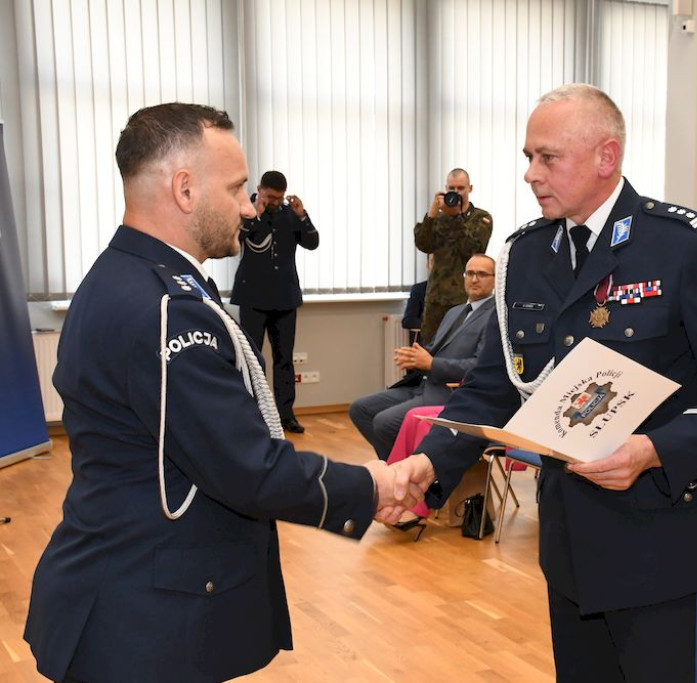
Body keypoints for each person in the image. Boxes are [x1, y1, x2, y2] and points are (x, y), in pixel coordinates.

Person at [391, 84, 697, 681]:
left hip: (664, 543)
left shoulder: (684, 246)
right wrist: (430, 462)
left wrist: (654, 450)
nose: (529, 174)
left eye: (547, 157)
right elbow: (496, 384)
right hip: (570, 544)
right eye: (528, 156)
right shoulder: (526, 253)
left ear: (607, 157)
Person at [22, 103, 416, 682]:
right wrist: (371, 485)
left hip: (124, 597)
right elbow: (247, 467)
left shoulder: (124, 277)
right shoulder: (164, 309)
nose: (248, 206)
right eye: (236, 188)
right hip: (142, 623)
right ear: (184, 189)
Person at [349, 254, 496, 460]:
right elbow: (433, 349)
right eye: (470, 273)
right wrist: (415, 356)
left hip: (449, 392)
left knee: (384, 423)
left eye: (482, 274)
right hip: (422, 384)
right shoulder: (455, 312)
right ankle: (402, 468)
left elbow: (478, 367)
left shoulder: (495, 316)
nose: (474, 279)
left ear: (495, 279)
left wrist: (431, 363)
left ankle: (406, 473)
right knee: (360, 409)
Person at [230, 170, 318, 433]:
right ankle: (252, 416)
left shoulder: (290, 214)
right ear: (260, 190)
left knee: (284, 359)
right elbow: (236, 241)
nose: (275, 202)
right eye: (271, 197)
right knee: (252, 359)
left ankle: (285, 414)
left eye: (279, 198)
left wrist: (302, 215)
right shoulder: (245, 210)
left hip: (284, 298)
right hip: (253, 298)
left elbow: (312, 243)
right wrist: (255, 213)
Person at [414, 168, 493, 343]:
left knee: (460, 348)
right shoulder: (439, 218)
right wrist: (431, 215)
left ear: (470, 189)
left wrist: (456, 217)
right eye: (452, 189)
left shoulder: (481, 218)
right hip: (436, 299)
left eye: (460, 188)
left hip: (463, 298)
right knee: (430, 350)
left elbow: (472, 250)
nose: (456, 193)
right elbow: (423, 244)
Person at [402, 254, 432, 344]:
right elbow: (408, 321)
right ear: (428, 266)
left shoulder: (457, 292)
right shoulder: (419, 289)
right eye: (434, 262)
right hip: (427, 341)